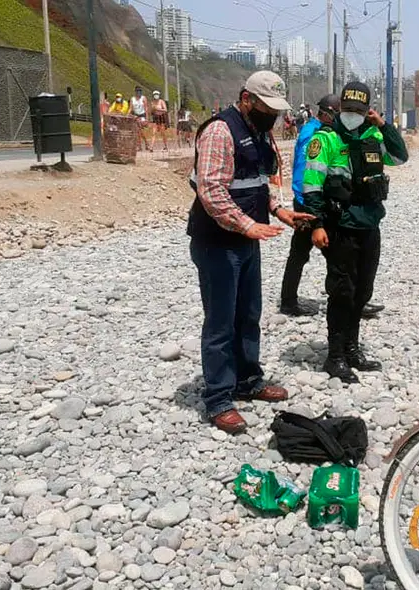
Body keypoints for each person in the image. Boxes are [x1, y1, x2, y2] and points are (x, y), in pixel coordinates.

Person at [186, 71, 315, 434]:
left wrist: (279, 211)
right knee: (220, 321)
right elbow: (210, 190)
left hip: (246, 239)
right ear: (246, 99)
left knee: (248, 314)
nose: (271, 115)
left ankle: (248, 380)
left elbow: (258, 184)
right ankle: (219, 398)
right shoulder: (219, 131)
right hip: (218, 241)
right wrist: (247, 225)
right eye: (265, 107)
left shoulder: (258, 134)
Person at [302, 81, 409, 383]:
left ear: (367, 111)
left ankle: (352, 349)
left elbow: (400, 158)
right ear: (339, 108)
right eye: (348, 109)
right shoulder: (326, 140)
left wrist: (384, 125)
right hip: (339, 227)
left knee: (363, 291)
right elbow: (312, 186)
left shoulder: (373, 134)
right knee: (341, 292)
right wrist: (317, 225)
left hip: (369, 224)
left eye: (359, 111)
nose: (352, 114)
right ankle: (335, 355)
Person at [279, 96, 337, 317]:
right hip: (308, 203)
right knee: (302, 253)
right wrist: (308, 208)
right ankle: (288, 301)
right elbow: (303, 171)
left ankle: (350, 298)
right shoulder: (311, 134)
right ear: (327, 113)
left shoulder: (319, 130)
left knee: (333, 254)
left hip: (318, 202)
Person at [131, 86, 152, 152]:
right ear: (135, 92)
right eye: (137, 91)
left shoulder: (143, 98)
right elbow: (131, 108)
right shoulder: (132, 99)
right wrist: (128, 115)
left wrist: (147, 118)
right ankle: (140, 145)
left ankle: (144, 144)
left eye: (140, 91)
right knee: (138, 131)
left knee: (140, 131)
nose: (138, 92)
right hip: (135, 116)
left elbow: (146, 108)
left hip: (142, 115)